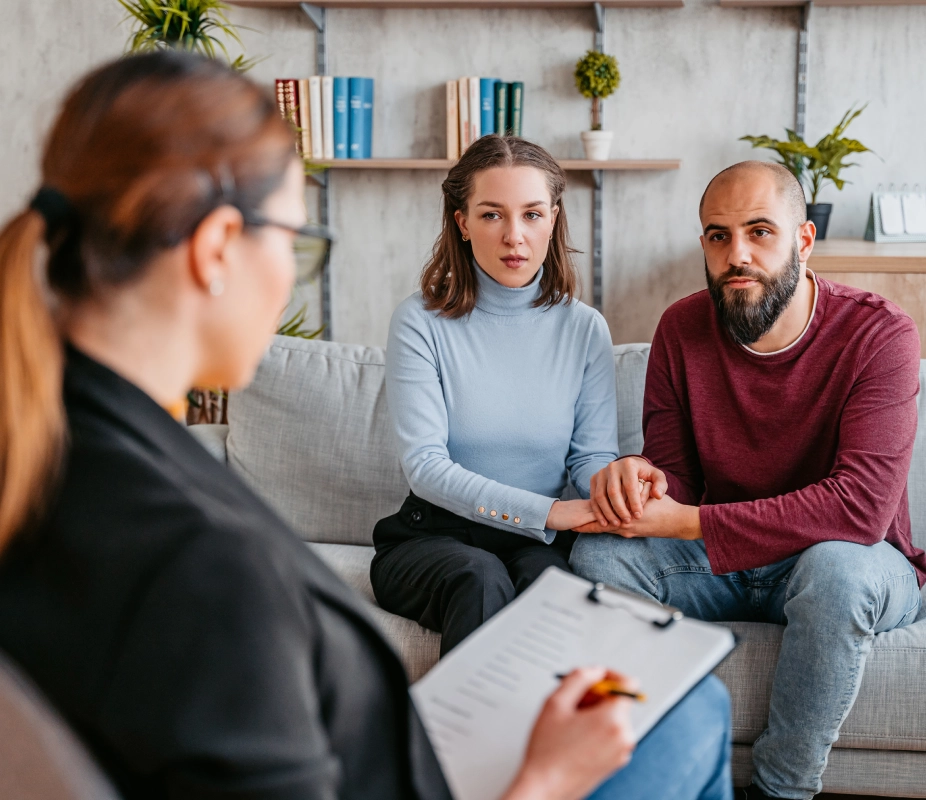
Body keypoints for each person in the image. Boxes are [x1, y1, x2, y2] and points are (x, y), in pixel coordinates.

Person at [0, 52, 731, 800]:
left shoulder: (66, 465)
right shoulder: (199, 560)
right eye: (295, 240)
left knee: (686, 705)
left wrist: (604, 483)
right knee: (698, 711)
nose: (290, 272)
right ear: (217, 248)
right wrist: (542, 781)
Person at [569, 160, 926, 800]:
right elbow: (674, 478)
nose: (738, 255)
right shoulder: (681, 328)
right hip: (728, 564)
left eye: (760, 232)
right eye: (718, 235)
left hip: (857, 562)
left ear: (804, 240)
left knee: (838, 573)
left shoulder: (879, 333)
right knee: (599, 553)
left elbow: (862, 510)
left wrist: (688, 520)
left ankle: (781, 791)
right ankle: (654, 773)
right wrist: (638, 479)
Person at [371, 135, 621, 657]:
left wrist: (614, 489)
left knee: (558, 595)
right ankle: (456, 740)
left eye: (532, 215)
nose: (515, 237)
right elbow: (425, 467)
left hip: (537, 546)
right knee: (480, 578)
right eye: (491, 215)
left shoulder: (585, 329)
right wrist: (551, 513)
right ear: (462, 222)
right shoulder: (419, 322)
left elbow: (591, 457)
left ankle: (552, 741)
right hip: (431, 539)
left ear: (553, 218)